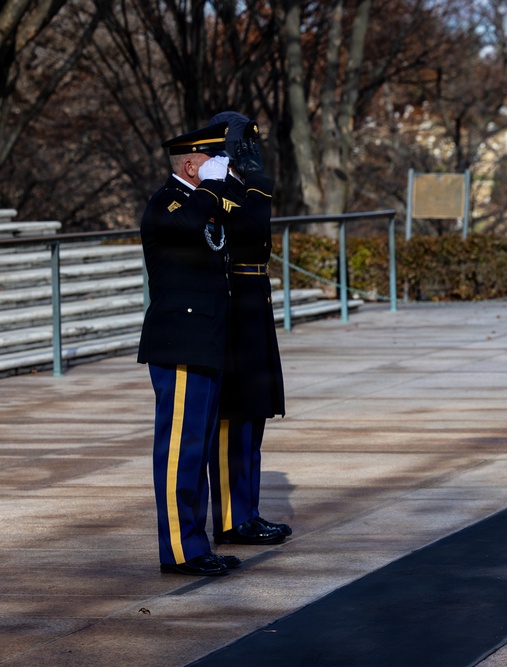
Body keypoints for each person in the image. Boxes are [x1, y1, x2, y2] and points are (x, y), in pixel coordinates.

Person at [138, 121, 242, 575]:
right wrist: (211, 189)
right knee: (180, 451)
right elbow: (187, 223)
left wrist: (237, 183)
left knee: (196, 450)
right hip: (179, 342)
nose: (218, 167)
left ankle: (195, 545)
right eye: (210, 160)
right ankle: (181, 550)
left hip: (206, 341)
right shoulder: (168, 202)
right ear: (188, 164)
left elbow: (242, 225)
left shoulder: (205, 198)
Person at [205, 111, 290, 546]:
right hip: (234, 304)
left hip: (253, 300)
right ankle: (231, 519)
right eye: (244, 144)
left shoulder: (240, 186)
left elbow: (259, 235)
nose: (251, 153)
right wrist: (241, 181)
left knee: (252, 414)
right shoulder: (214, 186)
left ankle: (248, 511)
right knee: (232, 417)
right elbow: (250, 227)